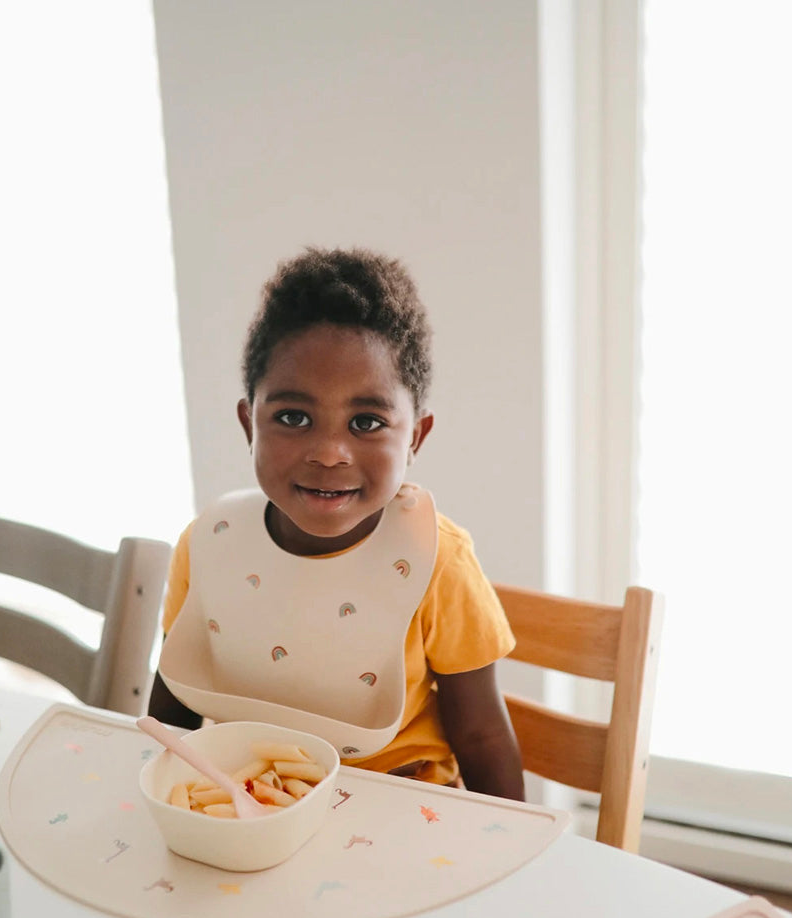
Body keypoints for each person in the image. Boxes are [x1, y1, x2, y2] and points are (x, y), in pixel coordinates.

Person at [148, 247, 524, 801]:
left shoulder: (437, 560)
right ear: (249, 423)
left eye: (366, 422)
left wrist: (514, 859)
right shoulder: (208, 546)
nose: (329, 453)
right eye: (293, 418)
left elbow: (482, 734)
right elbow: (173, 711)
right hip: (249, 807)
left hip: (399, 809)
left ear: (415, 437)